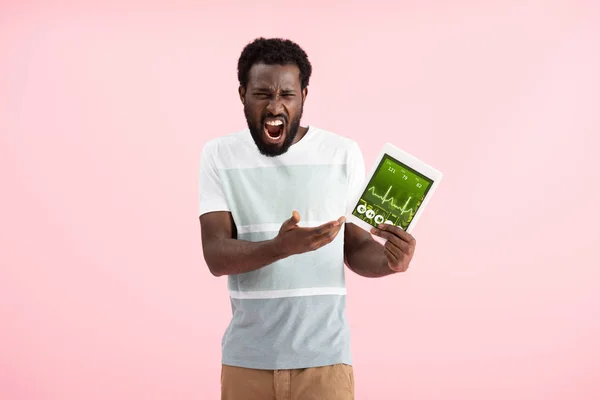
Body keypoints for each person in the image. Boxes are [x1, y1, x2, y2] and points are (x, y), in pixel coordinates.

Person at [198, 37, 417, 400]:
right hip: (246, 361)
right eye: (262, 94)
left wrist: (390, 261)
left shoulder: (342, 154)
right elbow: (215, 254)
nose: (275, 105)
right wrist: (280, 248)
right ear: (242, 94)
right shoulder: (218, 155)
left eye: (287, 94)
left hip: (325, 363)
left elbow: (357, 247)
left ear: (303, 95)